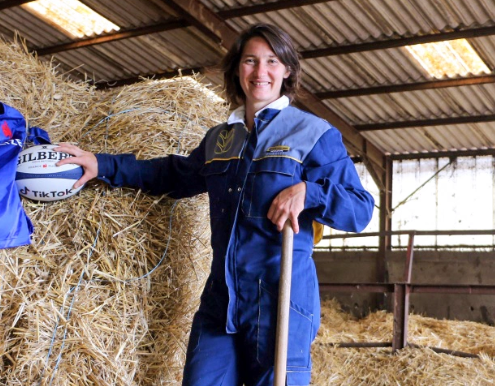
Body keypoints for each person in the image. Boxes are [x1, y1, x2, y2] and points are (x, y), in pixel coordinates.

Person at [55, 23, 374, 386]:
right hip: (221, 300)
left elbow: (360, 209)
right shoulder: (222, 138)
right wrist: (104, 165)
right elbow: (172, 175)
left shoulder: (313, 133)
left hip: (280, 300)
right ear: (237, 69)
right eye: (250, 61)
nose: (260, 71)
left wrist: (309, 191)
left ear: (287, 70)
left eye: (272, 61)